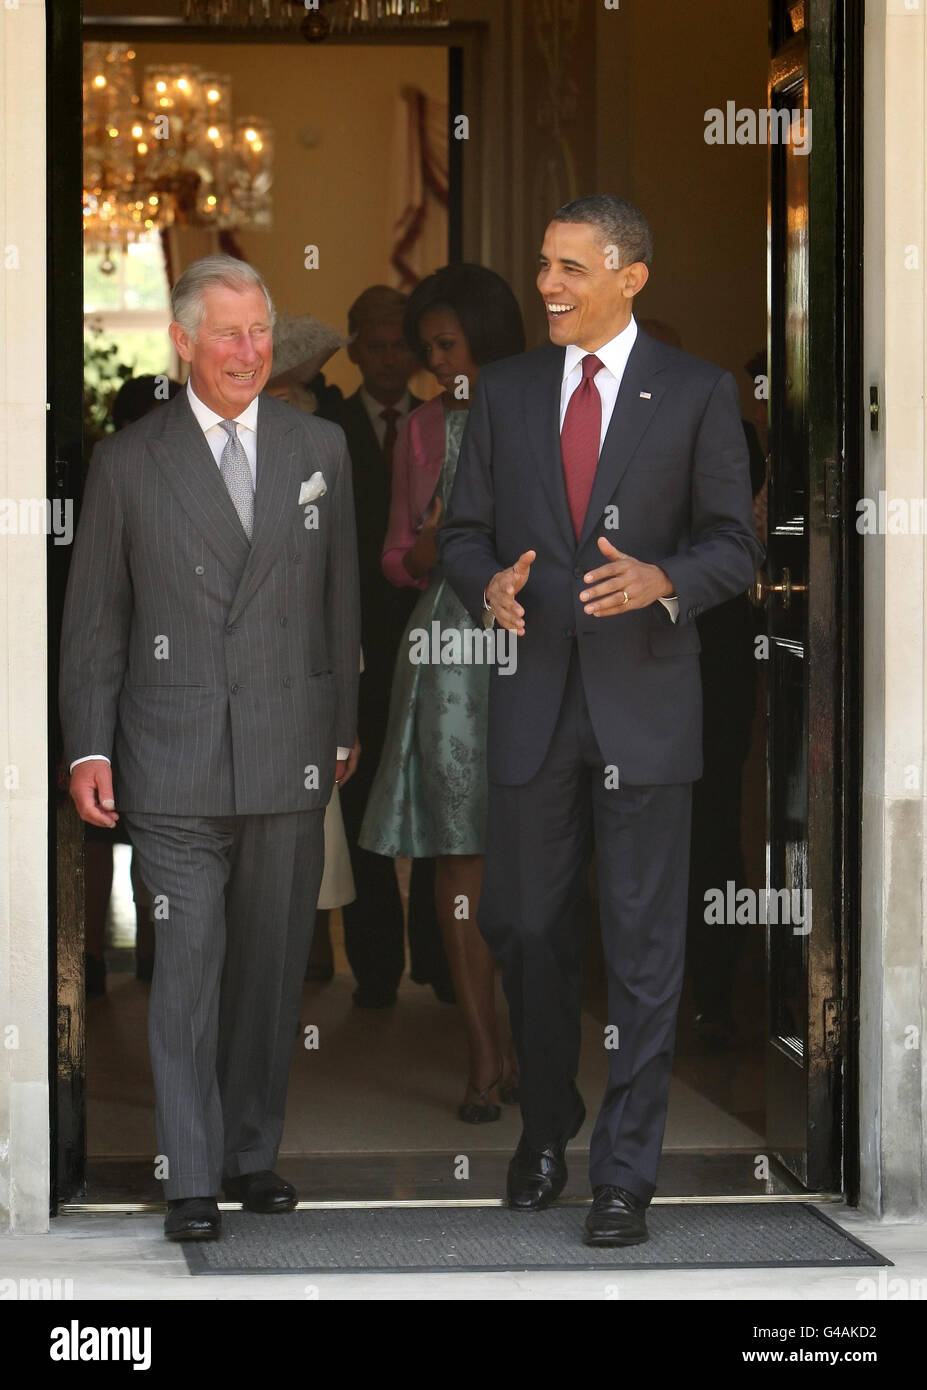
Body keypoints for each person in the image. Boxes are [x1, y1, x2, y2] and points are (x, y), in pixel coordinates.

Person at [438, 196, 763, 1244]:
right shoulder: (508, 390)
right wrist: (486, 584)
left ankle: (626, 1171)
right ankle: (546, 1125)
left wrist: (666, 575)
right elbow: (464, 535)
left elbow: (736, 547)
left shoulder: (701, 395)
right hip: (535, 701)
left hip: (647, 707)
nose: (547, 286)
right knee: (527, 925)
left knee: (643, 945)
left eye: (570, 268)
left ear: (632, 276)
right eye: (544, 265)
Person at [59, 254, 360, 1242]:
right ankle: (191, 1172)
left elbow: (340, 603)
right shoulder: (127, 462)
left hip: (286, 749)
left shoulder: (321, 446)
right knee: (186, 964)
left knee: (273, 968)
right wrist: (87, 747)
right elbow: (97, 620)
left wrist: (343, 724)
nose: (247, 349)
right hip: (173, 754)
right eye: (226, 332)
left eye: (259, 330)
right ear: (182, 340)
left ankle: (248, 1151)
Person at [360, 264, 526, 1121]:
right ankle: (483, 1054)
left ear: (490, 339)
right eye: (429, 349)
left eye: (449, 344)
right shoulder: (421, 429)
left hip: (532, 652)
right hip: (446, 655)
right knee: (459, 852)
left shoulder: (541, 408)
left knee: (537, 854)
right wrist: (431, 540)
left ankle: (533, 1043)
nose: (437, 364)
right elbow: (395, 559)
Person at [321, 286, 451, 1007]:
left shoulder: (447, 422)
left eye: (402, 343)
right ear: (351, 348)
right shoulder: (328, 428)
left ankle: (440, 955)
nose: (390, 357)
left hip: (438, 635)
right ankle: (374, 966)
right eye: (375, 344)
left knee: (442, 791)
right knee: (360, 795)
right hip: (359, 644)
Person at [263, 311, 357, 966]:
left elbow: (336, 587)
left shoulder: (320, 455)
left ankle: (299, 971)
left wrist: (340, 720)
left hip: (302, 683)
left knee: (302, 858)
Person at [84, 375, 183, 997]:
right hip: (109, 680)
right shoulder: (111, 477)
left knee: (161, 831)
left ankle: (155, 953)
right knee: (96, 825)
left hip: (168, 691)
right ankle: (89, 956)